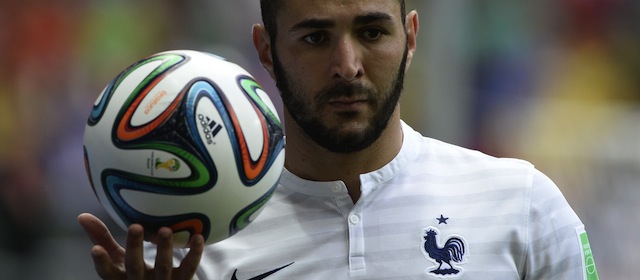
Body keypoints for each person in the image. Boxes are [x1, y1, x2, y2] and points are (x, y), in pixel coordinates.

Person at [78, 0, 599, 279]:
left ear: (411, 37)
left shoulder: (523, 204)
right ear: (266, 49)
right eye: (315, 38)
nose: (347, 66)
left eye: (372, 32)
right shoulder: (192, 245)